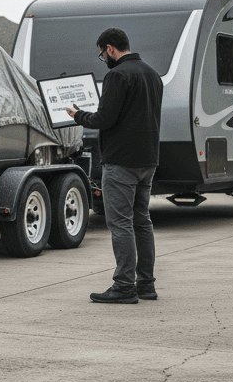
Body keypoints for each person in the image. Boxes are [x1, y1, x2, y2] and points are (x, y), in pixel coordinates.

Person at [66, 27, 163, 304]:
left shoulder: (117, 75)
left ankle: (123, 286)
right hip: (148, 160)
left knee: (120, 224)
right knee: (142, 222)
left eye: (101, 54)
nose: (103, 59)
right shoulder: (153, 75)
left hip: (121, 162)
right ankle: (146, 284)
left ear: (110, 48)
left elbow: (104, 119)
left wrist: (77, 115)